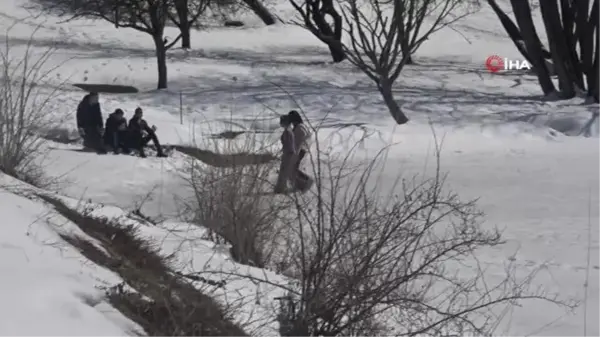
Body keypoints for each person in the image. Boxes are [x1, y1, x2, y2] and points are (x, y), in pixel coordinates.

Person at [288, 110, 312, 191]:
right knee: (293, 168)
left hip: (300, 150)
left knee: (292, 168)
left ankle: (306, 182)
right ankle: (300, 185)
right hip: (303, 149)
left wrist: (295, 153)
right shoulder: (302, 126)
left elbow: (298, 142)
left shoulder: (299, 128)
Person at [274, 115, 296, 194]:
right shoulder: (289, 130)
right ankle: (282, 187)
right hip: (289, 152)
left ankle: (281, 188)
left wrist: (285, 151)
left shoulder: (287, 131)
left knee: (284, 171)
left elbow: (288, 144)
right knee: (284, 170)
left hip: (288, 153)